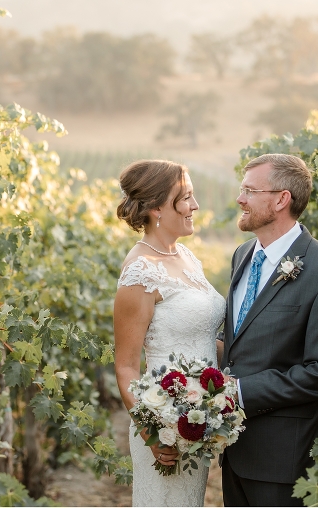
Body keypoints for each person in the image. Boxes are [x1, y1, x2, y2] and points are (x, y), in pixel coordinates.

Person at [219, 153, 318, 506]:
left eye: (249, 190)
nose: (240, 198)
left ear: (281, 199)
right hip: (233, 450)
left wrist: (241, 392)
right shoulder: (242, 255)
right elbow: (240, 337)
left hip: (286, 460)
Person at [113, 159, 226, 507]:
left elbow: (205, 336)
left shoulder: (189, 257)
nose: (195, 206)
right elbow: (127, 367)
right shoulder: (139, 273)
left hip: (196, 421)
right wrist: (153, 433)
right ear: (157, 207)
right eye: (186, 197)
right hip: (166, 427)